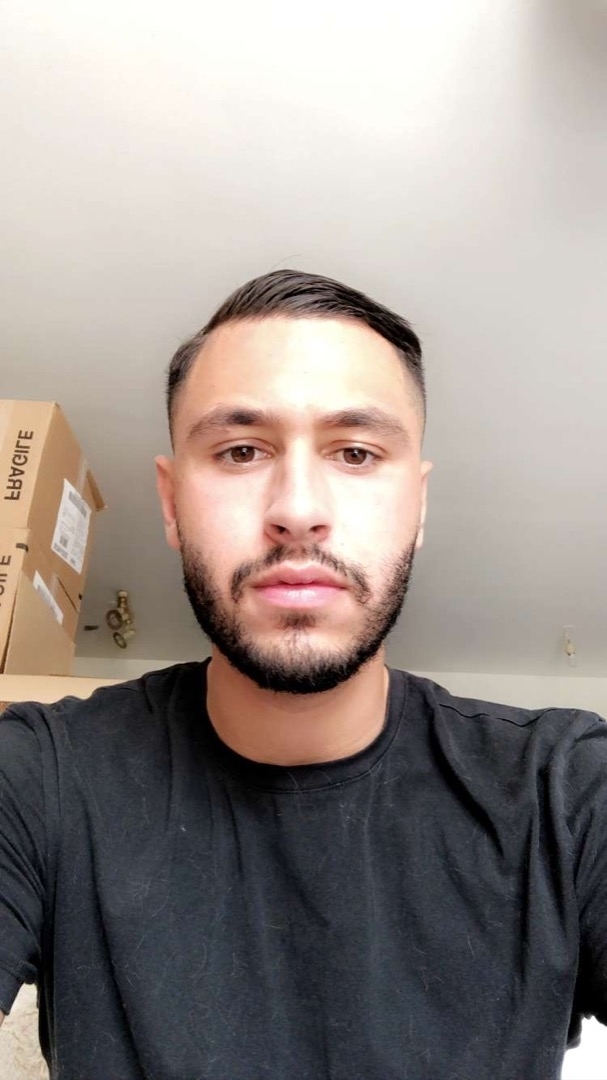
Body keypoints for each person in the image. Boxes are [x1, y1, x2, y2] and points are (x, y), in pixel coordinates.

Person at [0, 269, 605, 1079]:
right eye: (240, 451)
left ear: (418, 505)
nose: (296, 509)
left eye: (355, 453)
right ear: (171, 504)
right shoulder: (38, 776)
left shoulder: (565, 793)